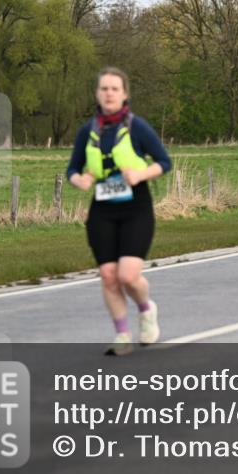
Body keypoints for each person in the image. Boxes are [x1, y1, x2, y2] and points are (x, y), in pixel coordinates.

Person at [67, 67, 172, 355]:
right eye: (104, 89)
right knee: (109, 275)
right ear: (97, 94)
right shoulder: (87, 131)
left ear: (124, 94)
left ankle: (146, 308)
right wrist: (81, 181)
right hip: (102, 210)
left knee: (127, 275)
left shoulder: (137, 127)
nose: (109, 93)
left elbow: (164, 162)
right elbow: (72, 170)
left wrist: (141, 175)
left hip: (136, 207)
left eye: (114, 88)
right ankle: (123, 334)